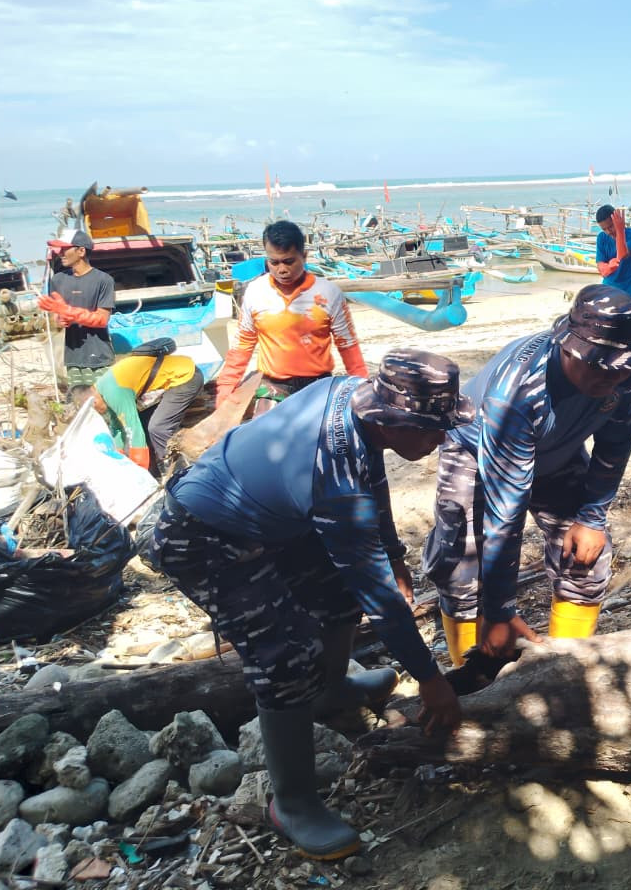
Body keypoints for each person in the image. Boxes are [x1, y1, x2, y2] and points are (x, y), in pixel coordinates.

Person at [146, 349, 467, 860]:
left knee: (335, 593)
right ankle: (292, 803)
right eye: (430, 431)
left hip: (275, 518)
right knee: (282, 658)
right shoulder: (332, 471)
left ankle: (330, 689)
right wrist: (432, 681)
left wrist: (394, 554)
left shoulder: (356, 395)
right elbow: (381, 600)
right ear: (392, 420)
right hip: (204, 535)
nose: (438, 441)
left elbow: (373, 482)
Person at [422, 286, 631, 665]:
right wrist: (499, 612)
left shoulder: (626, 370)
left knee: (588, 556)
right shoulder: (517, 393)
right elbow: (505, 516)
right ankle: (471, 673)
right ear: (565, 347)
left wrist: (591, 518)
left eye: (620, 368)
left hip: (554, 454)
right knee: (460, 562)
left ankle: (564, 667)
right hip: (476, 453)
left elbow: (615, 443)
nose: (610, 378)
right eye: (598, 366)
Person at [214, 220, 368, 413]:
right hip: (273, 386)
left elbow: (348, 345)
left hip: (319, 386)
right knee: (264, 439)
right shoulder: (255, 291)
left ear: (304, 256)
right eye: (274, 262)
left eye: (288, 261)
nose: (281, 269)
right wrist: (226, 389)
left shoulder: (328, 292)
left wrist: (362, 386)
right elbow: (242, 345)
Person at [80, 348, 205, 476]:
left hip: (186, 377)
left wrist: (139, 471)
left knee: (157, 427)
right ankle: (154, 474)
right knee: (145, 423)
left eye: (96, 411)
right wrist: (119, 457)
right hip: (178, 378)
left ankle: (180, 471)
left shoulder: (113, 391)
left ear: (93, 402)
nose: (100, 414)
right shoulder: (103, 388)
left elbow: (132, 427)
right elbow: (117, 427)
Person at [37, 229, 116, 389]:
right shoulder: (58, 279)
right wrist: (60, 320)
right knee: (79, 403)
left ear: (81, 251)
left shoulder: (103, 280)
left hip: (99, 357)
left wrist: (68, 312)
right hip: (72, 357)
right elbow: (55, 320)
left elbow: (102, 320)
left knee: (104, 403)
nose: (61, 253)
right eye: (60, 249)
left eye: (65, 249)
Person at [594, 204, 631, 299]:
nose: (608, 232)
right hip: (608, 291)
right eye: (604, 229)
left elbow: (622, 255)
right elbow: (601, 268)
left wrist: (620, 230)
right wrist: (609, 267)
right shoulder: (601, 237)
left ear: (616, 221)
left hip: (630, 293)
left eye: (611, 226)